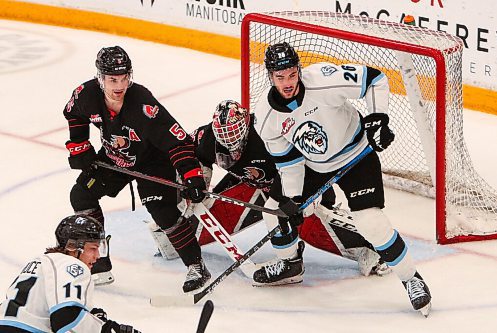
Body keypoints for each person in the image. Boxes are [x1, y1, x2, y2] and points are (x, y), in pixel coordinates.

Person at [252, 42, 431, 316]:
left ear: (298, 70)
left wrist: (377, 119)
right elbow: (289, 163)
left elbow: (374, 79)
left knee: (370, 223)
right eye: (280, 77)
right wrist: (295, 199)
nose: (287, 82)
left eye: (291, 74)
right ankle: (290, 265)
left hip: (356, 154)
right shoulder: (266, 118)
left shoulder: (323, 79)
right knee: (276, 211)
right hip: (313, 164)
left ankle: (411, 278)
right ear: (270, 76)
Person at [150, 100, 390, 279]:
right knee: (176, 239)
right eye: (224, 137)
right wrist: (198, 184)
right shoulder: (208, 138)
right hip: (254, 189)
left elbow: (307, 164)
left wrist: (308, 197)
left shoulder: (269, 134)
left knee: (305, 223)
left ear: (245, 126)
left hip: (295, 188)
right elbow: (191, 158)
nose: (230, 144)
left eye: (234, 135)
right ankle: (177, 235)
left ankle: (369, 246)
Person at [62, 46, 209, 293]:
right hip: (114, 158)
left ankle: (196, 265)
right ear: (101, 78)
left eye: (123, 78)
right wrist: (79, 145)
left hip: (153, 162)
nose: (119, 85)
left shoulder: (143, 104)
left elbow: (178, 140)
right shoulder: (86, 94)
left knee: (162, 212)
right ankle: (99, 260)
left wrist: (191, 175)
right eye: (112, 79)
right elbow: (72, 112)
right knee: (81, 194)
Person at [0, 214, 141, 333]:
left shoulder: (41, 262)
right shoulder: (72, 265)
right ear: (72, 247)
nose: (98, 256)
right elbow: (66, 318)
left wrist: (90, 316)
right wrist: (107, 328)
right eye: (93, 248)